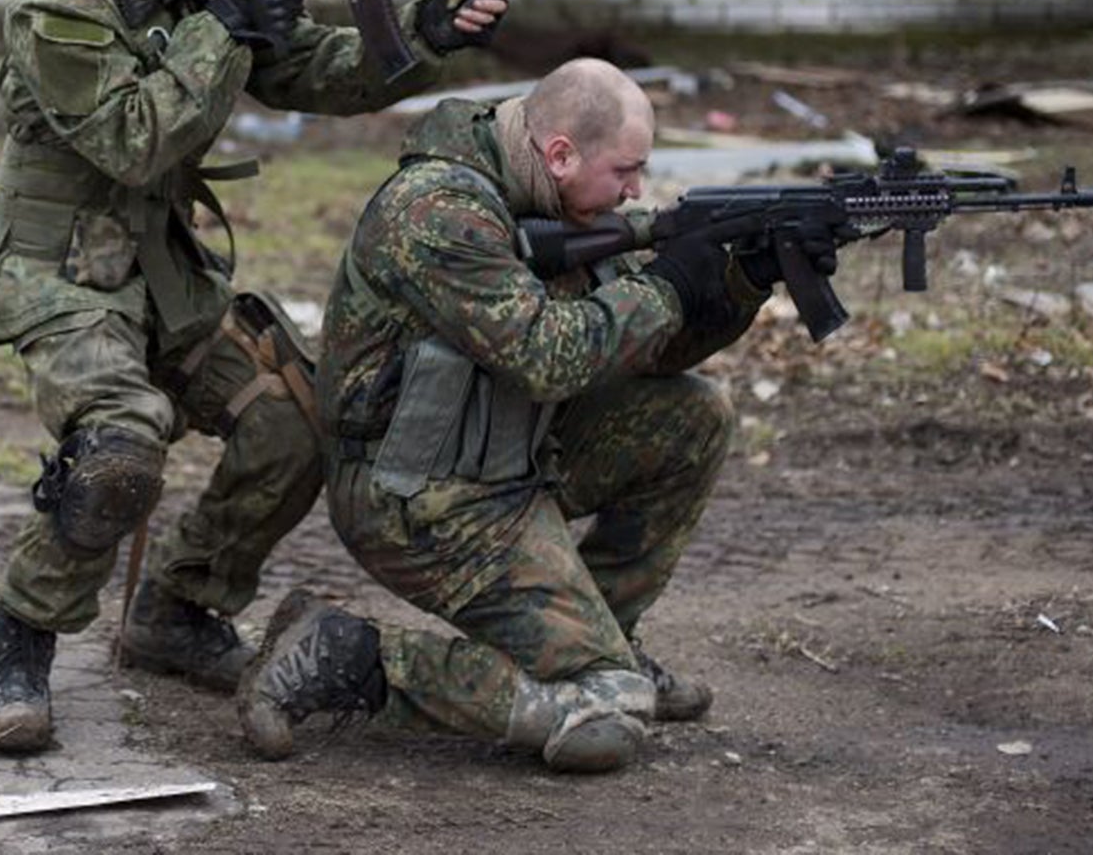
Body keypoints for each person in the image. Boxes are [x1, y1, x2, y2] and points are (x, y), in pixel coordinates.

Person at [0, 0, 507, 753]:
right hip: (58, 271)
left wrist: (425, 35)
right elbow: (132, 140)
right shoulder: (59, 0)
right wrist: (227, 25)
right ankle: (18, 643)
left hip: (161, 266)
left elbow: (303, 72)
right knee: (120, 450)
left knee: (294, 423)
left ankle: (175, 608)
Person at [237, 58, 839, 772]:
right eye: (625, 171)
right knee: (606, 718)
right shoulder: (439, 212)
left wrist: (740, 281)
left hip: (512, 459)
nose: (636, 191)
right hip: (421, 499)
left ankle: (602, 641)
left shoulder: (556, 201)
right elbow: (545, 356)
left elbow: (644, 351)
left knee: (692, 416)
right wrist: (671, 284)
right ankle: (346, 654)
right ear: (559, 154)